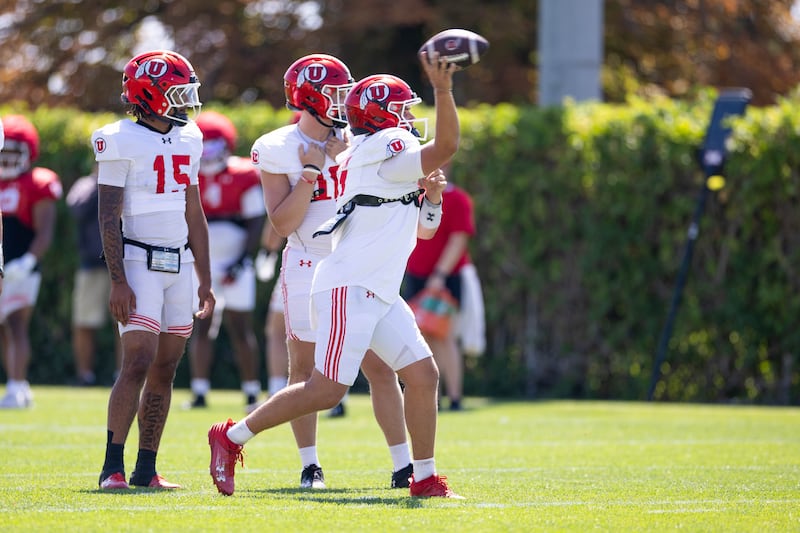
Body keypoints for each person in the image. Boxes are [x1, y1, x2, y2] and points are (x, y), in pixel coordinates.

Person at [208, 50, 463, 498]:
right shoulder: (384, 146)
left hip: (377, 286)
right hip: (349, 284)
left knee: (422, 375)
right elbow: (444, 148)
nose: (407, 121)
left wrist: (432, 198)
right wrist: (443, 90)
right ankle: (230, 437)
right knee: (324, 389)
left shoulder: (369, 149)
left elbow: (422, 228)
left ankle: (422, 477)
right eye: (401, 111)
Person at [93, 49, 215, 490]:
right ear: (151, 95)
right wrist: (118, 279)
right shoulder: (119, 138)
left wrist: (205, 277)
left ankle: (146, 469)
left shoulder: (190, 138)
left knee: (166, 367)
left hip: (178, 261)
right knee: (138, 360)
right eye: (177, 91)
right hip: (137, 259)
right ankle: (112, 466)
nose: (185, 100)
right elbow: (108, 215)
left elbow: (194, 211)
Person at [185, 111, 265, 411]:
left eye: (213, 147)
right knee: (201, 326)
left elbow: (256, 222)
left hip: (235, 262)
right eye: (203, 147)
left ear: (227, 145)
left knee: (240, 326)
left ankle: (251, 392)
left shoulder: (243, 175)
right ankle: (200, 390)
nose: (207, 154)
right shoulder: (188, 176)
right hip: (202, 263)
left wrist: (242, 260)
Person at [402, 163, 476, 411]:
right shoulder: (412, 196)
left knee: (445, 336)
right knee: (420, 338)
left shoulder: (458, 199)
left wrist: (440, 274)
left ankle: (454, 397)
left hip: (445, 278)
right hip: (417, 275)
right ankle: (433, 398)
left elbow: (459, 239)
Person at [0, 115, 62, 409]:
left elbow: (45, 232)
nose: (7, 159)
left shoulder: (38, 182)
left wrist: (26, 263)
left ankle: (15, 387)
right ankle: (19, 384)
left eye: (14, 153)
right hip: (3, 261)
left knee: (16, 324)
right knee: (4, 327)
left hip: (20, 265)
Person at [66, 168, 122, 386]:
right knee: (84, 321)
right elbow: (76, 208)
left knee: (124, 323)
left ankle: (122, 375)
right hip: (91, 263)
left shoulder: (128, 181)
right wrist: (100, 184)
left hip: (123, 264)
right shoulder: (86, 184)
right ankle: (85, 375)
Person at [255, 222, 289, 399]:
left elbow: (273, 237)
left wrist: (267, 251)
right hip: (337, 265)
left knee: (277, 331)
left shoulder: (296, 191)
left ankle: (276, 391)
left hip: (301, 265)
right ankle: (338, 398)